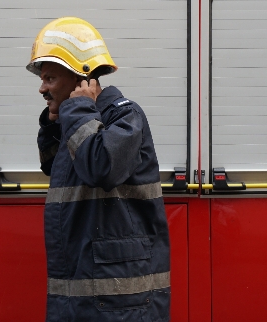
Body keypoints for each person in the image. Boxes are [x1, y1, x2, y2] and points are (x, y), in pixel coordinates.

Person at [27, 17, 171, 321]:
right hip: (86, 298)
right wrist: (58, 119)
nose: (42, 88)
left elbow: (100, 167)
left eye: (50, 78)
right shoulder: (81, 120)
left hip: (120, 303)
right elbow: (52, 164)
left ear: (82, 78)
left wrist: (76, 111)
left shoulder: (125, 116)